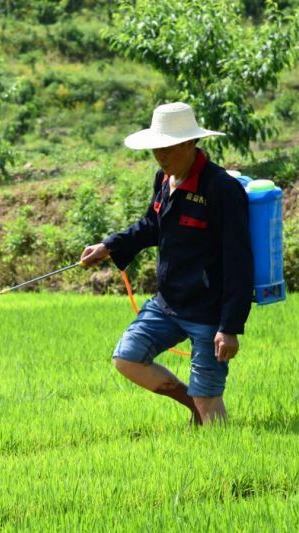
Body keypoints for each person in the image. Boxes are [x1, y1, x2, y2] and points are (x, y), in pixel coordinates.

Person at [80, 102, 253, 425]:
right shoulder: (164, 178)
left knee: (210, 400)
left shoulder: (221, 190)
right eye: (155, 149)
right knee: (127, 358)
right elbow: (151, 226)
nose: (160, 157)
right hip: (168, 303)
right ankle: (194, 407)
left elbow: (239, 261)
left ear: (190, 143)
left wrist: (230, 327)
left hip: (208, 311)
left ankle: (212, 429)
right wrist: (108, 246)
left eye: (167, 149)